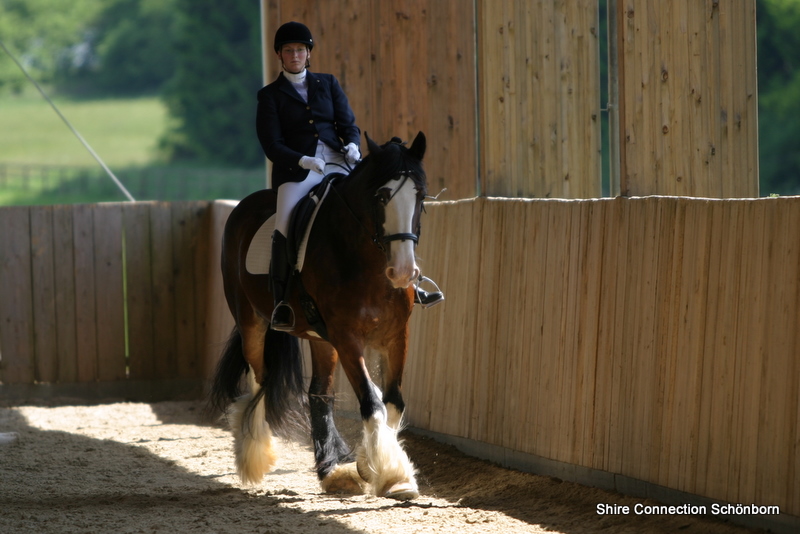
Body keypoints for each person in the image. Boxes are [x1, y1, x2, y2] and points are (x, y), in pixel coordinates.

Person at [256, 22, 442, 332]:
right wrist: (302, 159)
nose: (295, 55)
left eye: (300, 50)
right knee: (284, 225)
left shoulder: (328, 83)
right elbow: (271, 144)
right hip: (298, 171)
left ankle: (412, 283)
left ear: (308, 53)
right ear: (279, 55)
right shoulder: (269, 96)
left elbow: (348, 124)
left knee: (379, 207)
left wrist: (353, 146)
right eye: (288, 50)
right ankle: (281, 301)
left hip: (339, 161)